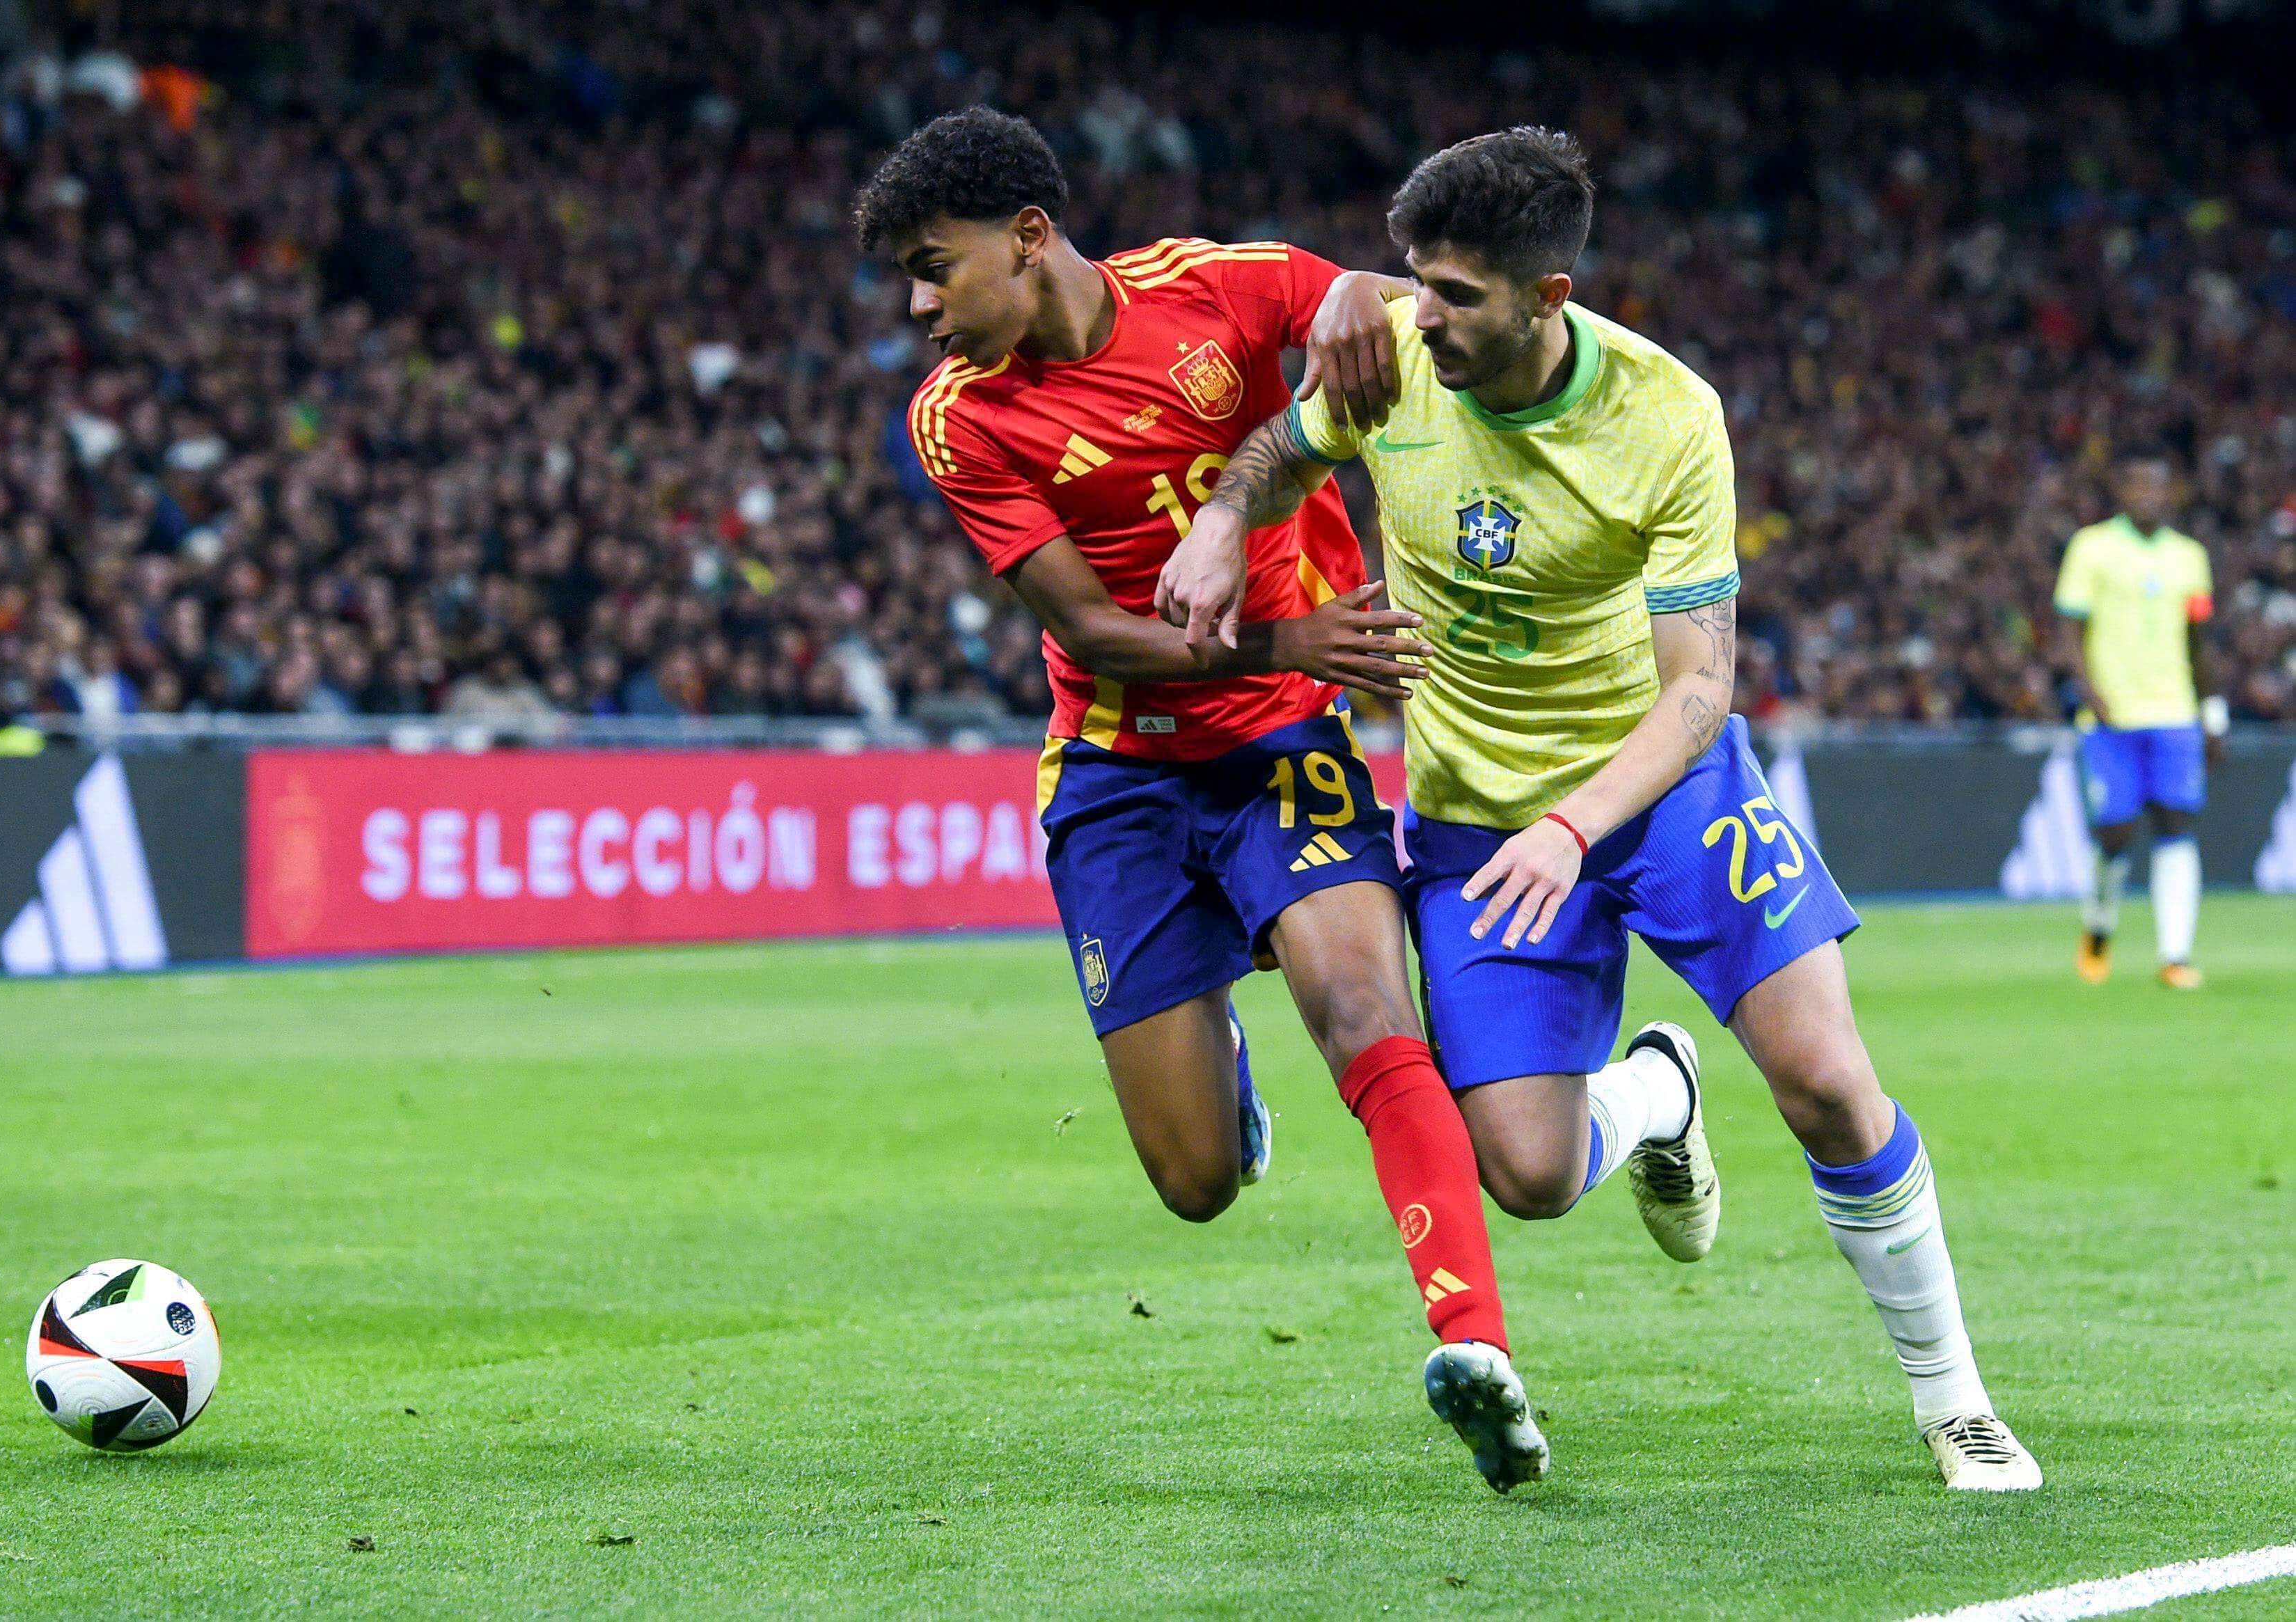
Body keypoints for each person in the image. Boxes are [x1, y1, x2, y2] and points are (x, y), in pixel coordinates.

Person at [1160, 127, 2041, 1492]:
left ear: (1547, 299)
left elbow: (1699, 690)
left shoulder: (1664, 413)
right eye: (1411, 280)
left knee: (1822, 1081)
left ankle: (1953, 1399)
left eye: (1453, 293)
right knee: (1524, 1169)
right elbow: (1281, 449)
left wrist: (1575, 825)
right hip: (1471, 828)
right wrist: (1223, 520)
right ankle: (1657, 1092)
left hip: (1658, 792)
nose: (1418, 315)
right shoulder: (1386, 359)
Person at [854, 108, 1544, 1490]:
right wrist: (1295, 637)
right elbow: (1098, 636)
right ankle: (1225, 1084)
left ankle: (1477, 1347)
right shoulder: (956, 420)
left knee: (1361, 1010)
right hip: (1119, 773)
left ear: (1030, 237)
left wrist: (1355, 297)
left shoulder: (1204, 290)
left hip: (1282, 743)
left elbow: (1345, 295)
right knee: (1194, 1185)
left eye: (935, 268)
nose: (921, 311)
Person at [2054, 450, 2224, 989]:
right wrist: (2087, 688)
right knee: (2116, 831)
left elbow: (2199, 642)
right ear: (2121, 491)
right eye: (2137, 485)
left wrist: (2210, 712)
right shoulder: (2092, 548)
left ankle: (2176, 955)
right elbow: (2069, 628)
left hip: (2174, 711)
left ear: (2169, 491)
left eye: (2157, 485)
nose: (2147, 494)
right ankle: (2100, 927)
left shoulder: (2189, 557)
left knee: (2176, 824)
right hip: (2112, 714)